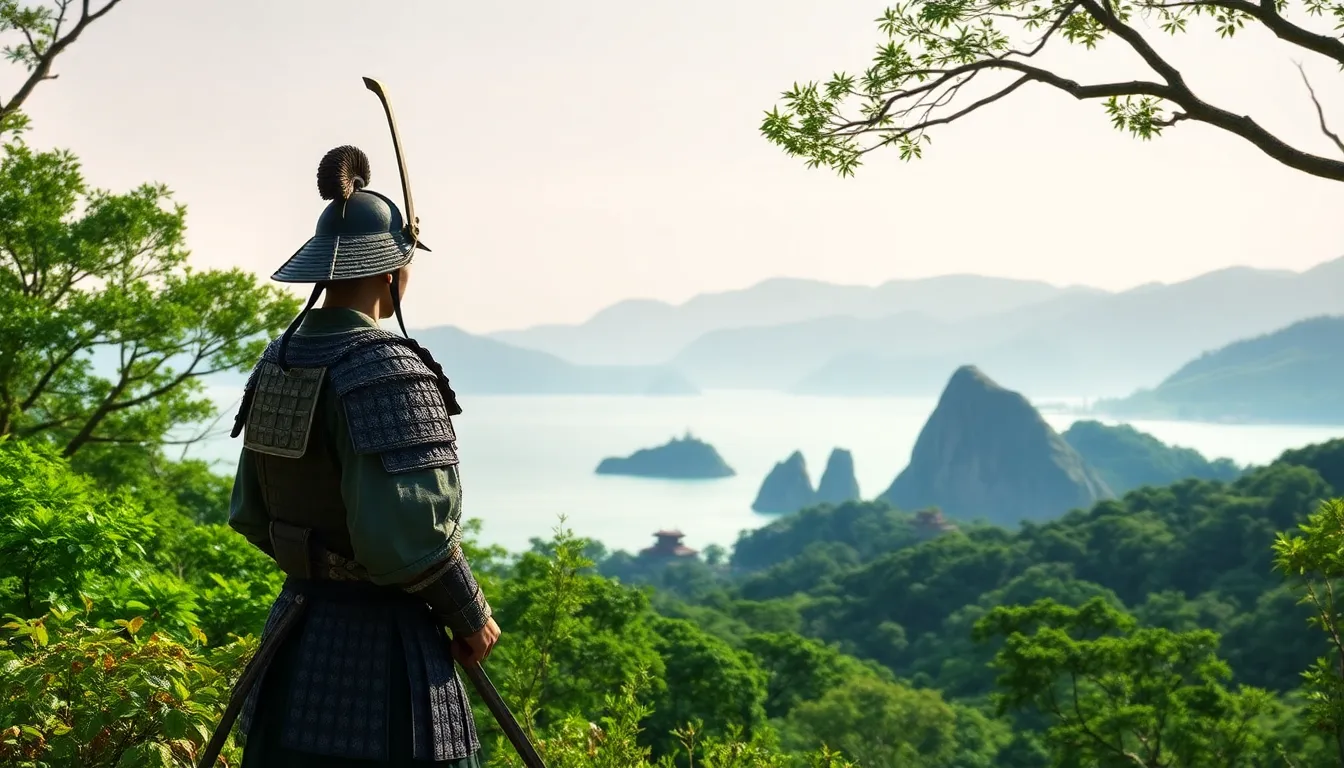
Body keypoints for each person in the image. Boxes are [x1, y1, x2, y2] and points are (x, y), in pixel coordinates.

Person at [222, 145, 498, 767]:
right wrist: (469, 612)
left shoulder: (278, 361)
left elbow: (249, 512)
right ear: (391, 270)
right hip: (385, 660)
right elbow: (404, 537)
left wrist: (317, 565)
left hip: (295, 642)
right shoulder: (388, 368)